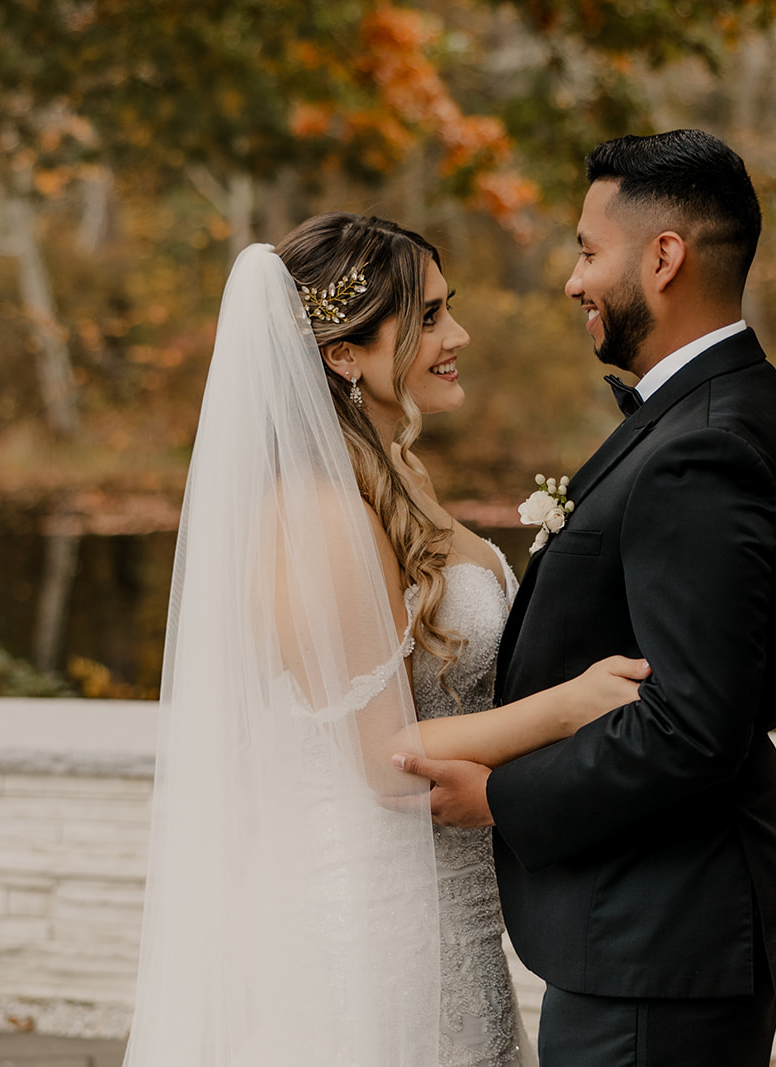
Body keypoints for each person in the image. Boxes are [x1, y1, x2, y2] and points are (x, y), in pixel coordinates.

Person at [122, 213, 647, 1067]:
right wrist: (572, 705)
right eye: (431, 317)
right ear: (343, 355)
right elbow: (381, 756)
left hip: (451, 914)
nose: (459, 334)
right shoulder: (317, 514)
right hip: (375, 932)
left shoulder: (391, 474)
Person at [397, 131, 776, 1066]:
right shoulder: (721, 404)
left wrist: (504, 796)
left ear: (663, 257)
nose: (571, 280)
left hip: (662, 938)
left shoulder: (701, 446)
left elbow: (691, 723)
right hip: (663, 928)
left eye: (589, 250)